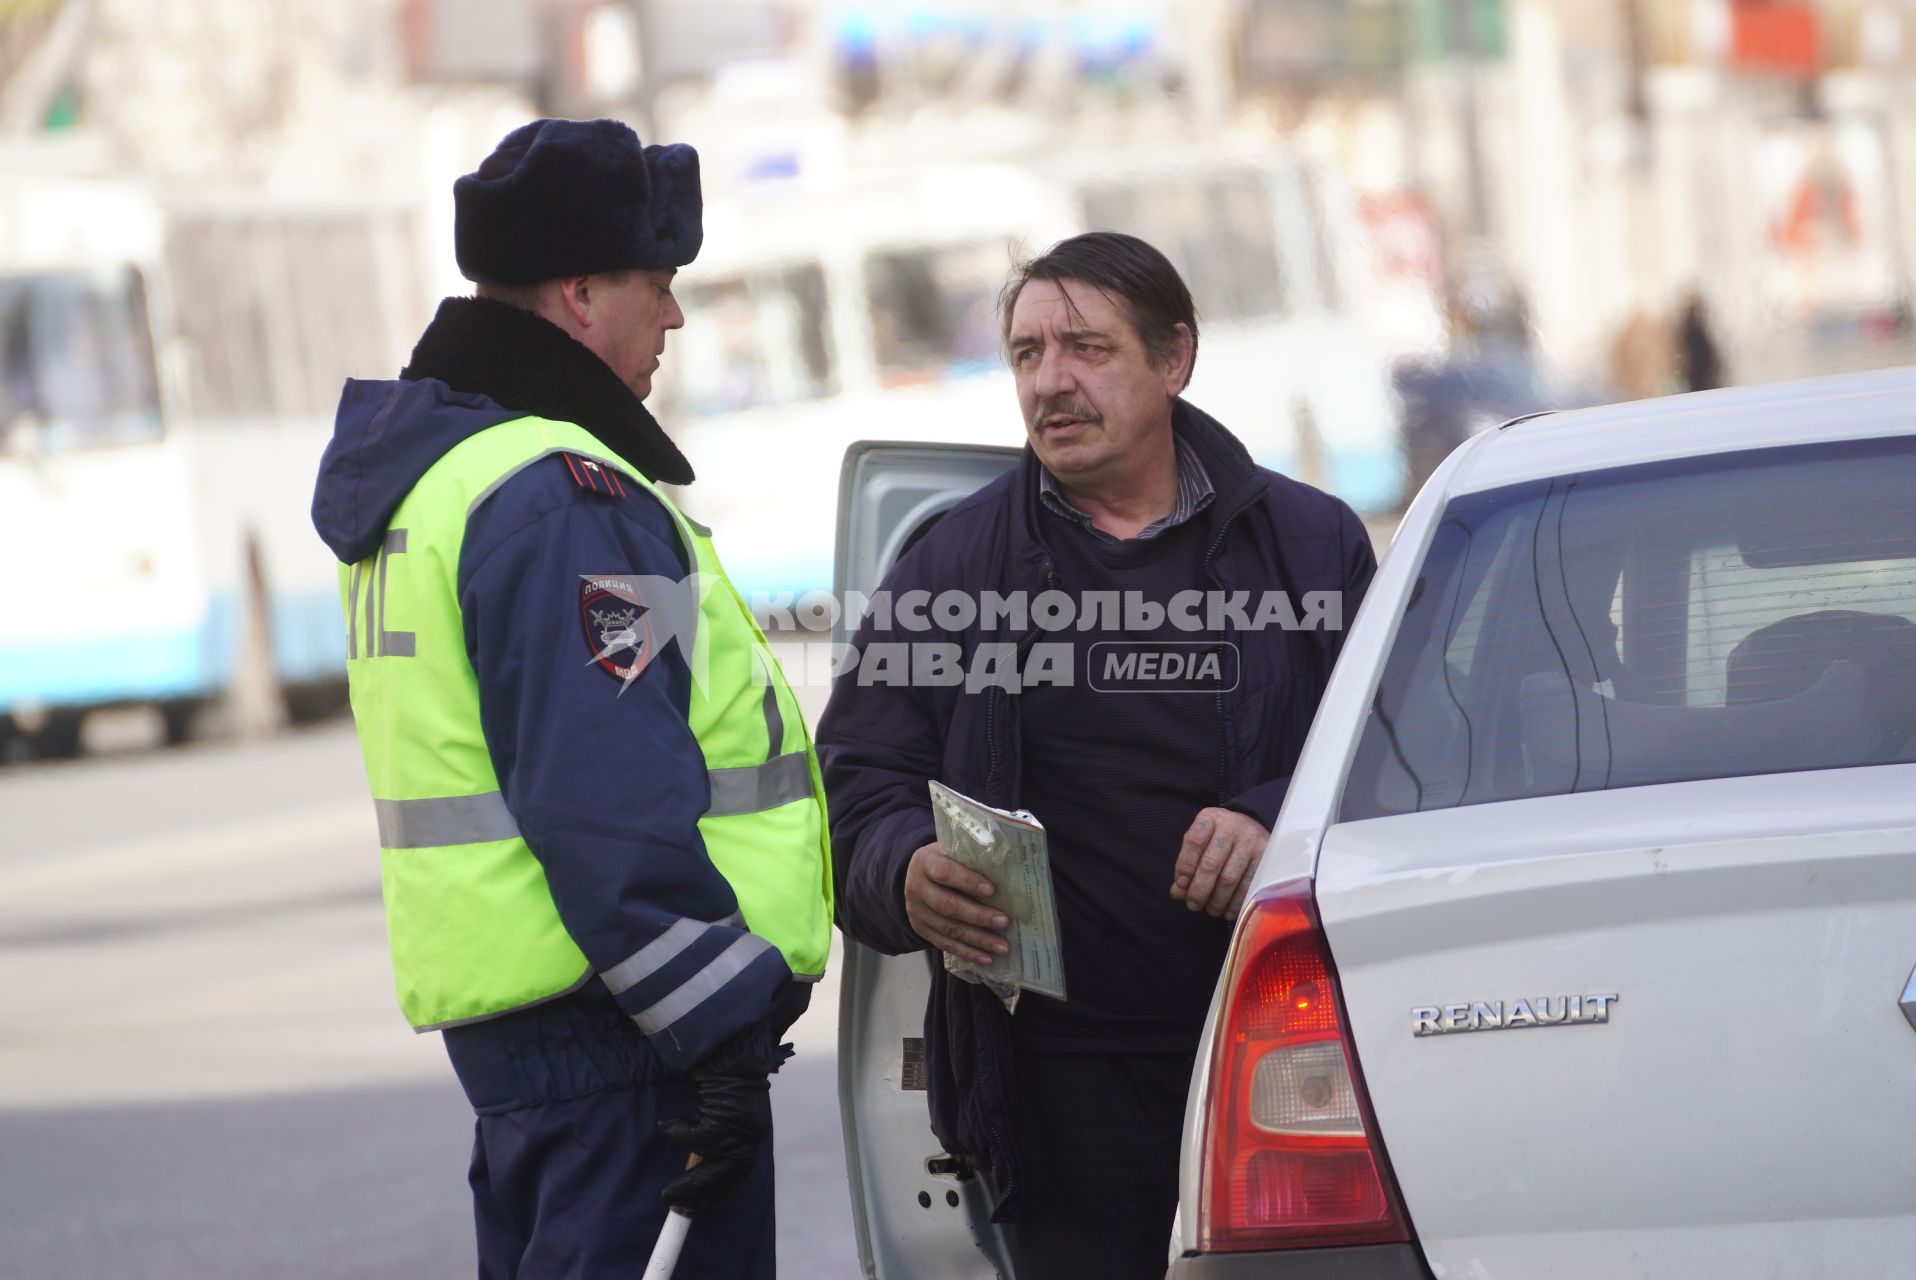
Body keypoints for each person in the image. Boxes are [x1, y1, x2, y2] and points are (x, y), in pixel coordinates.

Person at [310, 118, 831, 1279]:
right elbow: (605, 797)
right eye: (661, 283)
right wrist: (716, 1036)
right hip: (628, 1050)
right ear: (583, 293)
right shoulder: (561, 494)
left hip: (550, 1047)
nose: (677, 317)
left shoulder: (442, 473)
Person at [817, 231, 1377, 1277]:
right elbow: (855, 780)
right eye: (1026, 353)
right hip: (1051, 1086)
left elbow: (1396, 754)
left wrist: (1267, 809)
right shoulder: (950, 562)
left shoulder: (1308, 546)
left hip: (1276, 1053)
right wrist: (902, 868)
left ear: (1173, 359)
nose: (1050, 381)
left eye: (1085, 346)